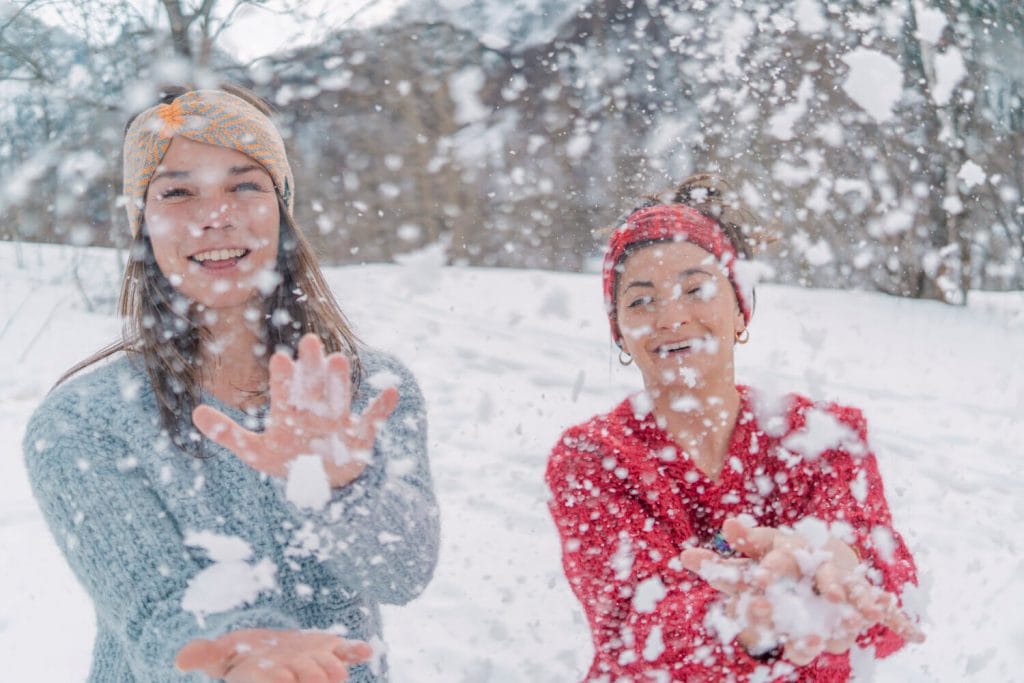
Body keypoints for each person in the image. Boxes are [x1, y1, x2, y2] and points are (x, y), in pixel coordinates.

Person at [23, 84, 439, 683]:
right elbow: (157, 609)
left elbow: (404, 573)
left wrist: (345, 484)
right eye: (178, 192)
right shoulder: (82, 423)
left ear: (282, 209)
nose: (216, 215)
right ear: (142, 223)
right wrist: (241, 656)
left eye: (245, 184)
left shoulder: (367, 390)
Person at [545, 173, 924, 682]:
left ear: (740, 308)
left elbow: (892, 595)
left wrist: (836, 563)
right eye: (640, 300)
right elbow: (632, 628)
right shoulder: (593, 458)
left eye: (696, 289)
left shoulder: (824, 436)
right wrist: (738, 620)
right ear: (619, 332)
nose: (671, 317)